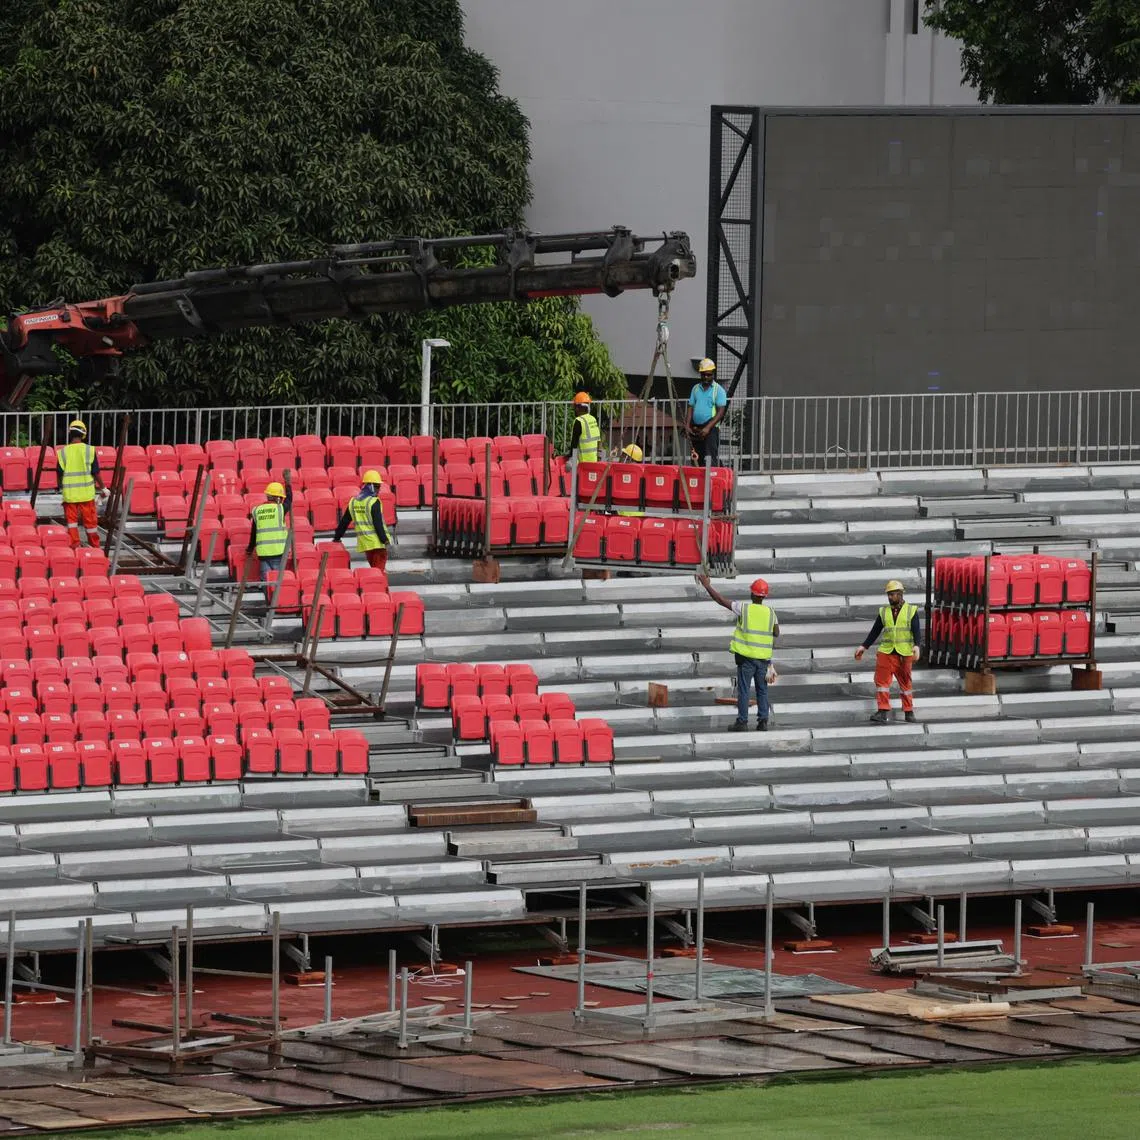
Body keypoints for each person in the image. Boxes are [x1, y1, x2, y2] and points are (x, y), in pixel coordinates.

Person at [698, 574, 779, 731]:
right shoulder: (771, 613)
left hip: (746, 658)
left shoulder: (744, 608)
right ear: (764, 596)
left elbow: (721, 600)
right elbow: (776, 632)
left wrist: (707, 585)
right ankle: (763, 721)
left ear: (751, 594)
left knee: (744, 690)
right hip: (763, 660)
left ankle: (742, 722)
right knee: (762, 691)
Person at [855, 579, 922, 724]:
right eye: (889, 594)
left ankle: (909, 711)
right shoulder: (884, 611)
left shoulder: (911, 610)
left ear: (900, 594)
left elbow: (916, 629)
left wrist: (917, 645)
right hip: (886, 652)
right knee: (882, 683)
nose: (890, 597)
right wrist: (864, 646)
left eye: (893, 594)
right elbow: (875, 630)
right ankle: (883, 711)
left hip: (904, 653)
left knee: (906, 684)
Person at [57, 419, 107, 549]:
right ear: (83, 434)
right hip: (86, 495)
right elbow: (95, 472)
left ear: (70, 433)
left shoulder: (63, 452)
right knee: (90, 524)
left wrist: (61, 488)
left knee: (72, 523)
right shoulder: (89, 450)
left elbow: (59, 474)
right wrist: (104, 488)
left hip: (70, 495)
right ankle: (95, 548)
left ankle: (75, 547)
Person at [333, 470, 393, 571]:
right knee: (378, 574)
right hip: (378, 544)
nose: (379, 489)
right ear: (371, 486)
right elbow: (378, 524)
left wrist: (337, 537)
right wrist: (385, 541)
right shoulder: (374, 502)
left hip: (366, 544)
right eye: (377, 486)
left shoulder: (353, 502)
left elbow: (345, 521)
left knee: (375, 571)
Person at [246, 472, 292, 580]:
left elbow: (254, 533)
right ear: (277, 498)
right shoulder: (280, 509)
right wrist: (288, 484)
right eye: (280, 498)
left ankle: (268, 597)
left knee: (266, 583)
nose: (281, 500)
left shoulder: (257, 510)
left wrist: (250, 549)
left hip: (263, 554)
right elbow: (289, 500)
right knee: (277, 583)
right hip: (278, 552)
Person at [686, 358, 727, 466]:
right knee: (696, 457)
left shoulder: (718, 390)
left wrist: (708, 427)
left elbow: (720, 412)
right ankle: (697, 480)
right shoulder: (695, 389)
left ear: (713, 374)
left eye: (708, 375)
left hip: (711, 429)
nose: (706, 377)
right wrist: (687, 425)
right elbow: (690, 407)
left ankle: (712, 480)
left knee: (710, 457)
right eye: (703, 375)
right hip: (696, 428)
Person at [566, 391, 600, 464]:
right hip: (594, 461)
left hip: (583, 463)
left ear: (578, 408)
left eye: (574, 407)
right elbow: (598, 441)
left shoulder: (579, 421)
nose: (574, 409)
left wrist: (571, 458)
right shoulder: (593, 419)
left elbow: (574, 444)